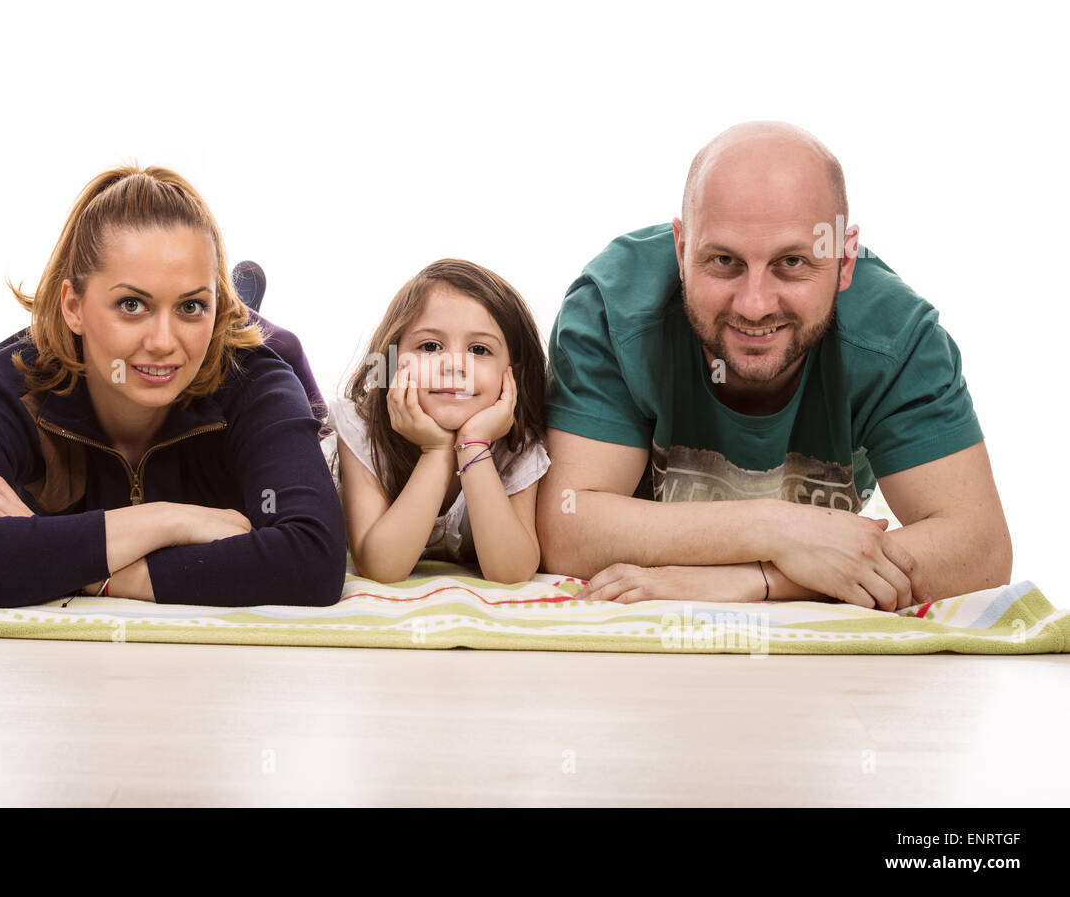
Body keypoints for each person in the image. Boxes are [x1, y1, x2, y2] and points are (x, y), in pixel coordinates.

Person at [538, 122, 1011, 610]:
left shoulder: (895, 337)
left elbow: (980, 548)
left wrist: (760, 579)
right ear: (681, 251)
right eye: (724, 261)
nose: (755, 305)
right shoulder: (614, 310)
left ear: (845, 260)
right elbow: (566, 526)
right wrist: (777, 529)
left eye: (791, 263)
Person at [0, 165, 345, 608]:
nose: (164, 343)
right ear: (73, 306)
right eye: (132, 305)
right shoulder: (4, 387)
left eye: (192, 305)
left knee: (278, 343)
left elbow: (313, 561)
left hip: (253, 350)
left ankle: (239, 301)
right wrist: (168, 520)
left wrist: (78, 568)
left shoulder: (256, 379)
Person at [333, 260, 550, 584]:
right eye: (430, 346)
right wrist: (436, 451)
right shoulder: (362, 430)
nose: (453, 366)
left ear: (512, 374)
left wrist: (473, 443)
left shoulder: (516, 445)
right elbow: (382, 567)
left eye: (479, 349)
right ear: (392, 360)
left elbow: (511, 572)